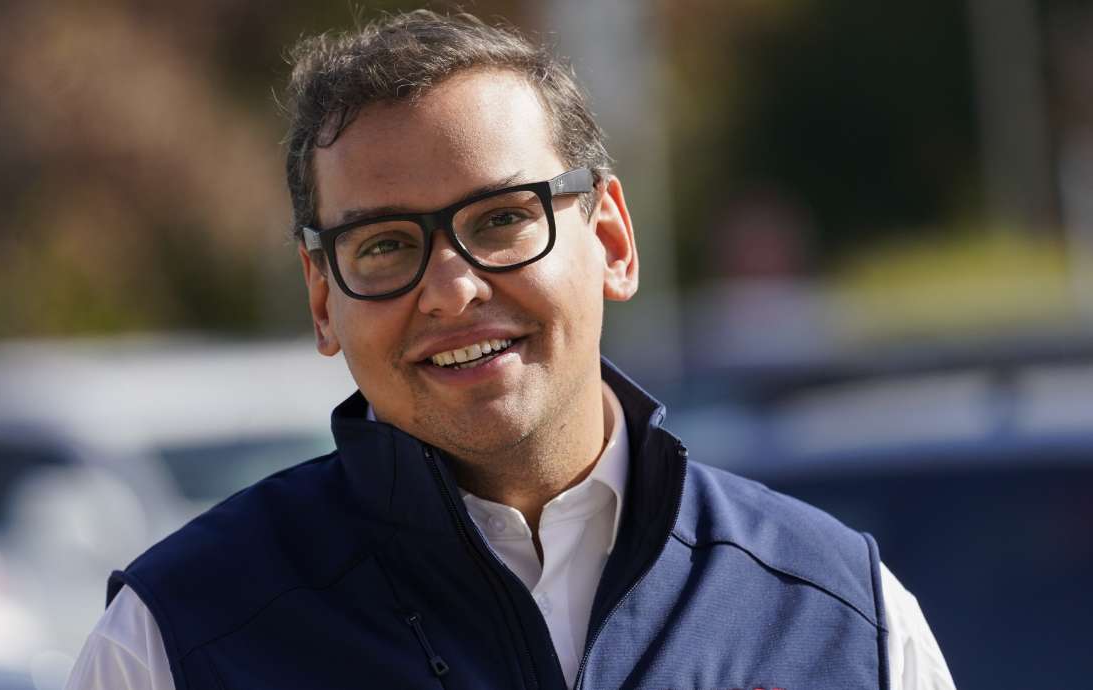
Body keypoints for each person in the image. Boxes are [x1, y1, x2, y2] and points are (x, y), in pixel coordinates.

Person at [67, 10, 955, 690]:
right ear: (320, 297)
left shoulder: (846, 620)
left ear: (610, 239)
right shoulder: (177, 642)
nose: (452, 289)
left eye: (500, 220)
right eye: (383, 245)